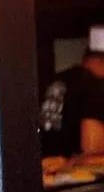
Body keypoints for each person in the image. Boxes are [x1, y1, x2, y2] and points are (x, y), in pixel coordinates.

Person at [40, 25, 104, 159]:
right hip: (73, 174)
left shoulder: (57, 80)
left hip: (44, 170)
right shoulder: (96, 87)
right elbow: (92, 149)